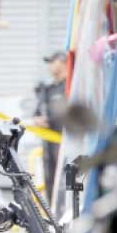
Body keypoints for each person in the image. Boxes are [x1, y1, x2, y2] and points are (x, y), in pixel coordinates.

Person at [33, 51, 67, 201]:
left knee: (64, 178)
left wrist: (49, 119)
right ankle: (52, 214)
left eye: (53, 62)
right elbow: (37, 111)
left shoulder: (69, 86)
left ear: (63, 62)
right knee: (49, 178)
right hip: (48, 142)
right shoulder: (47, 88)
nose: (50, 66)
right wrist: (37, 119)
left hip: (64, 140)